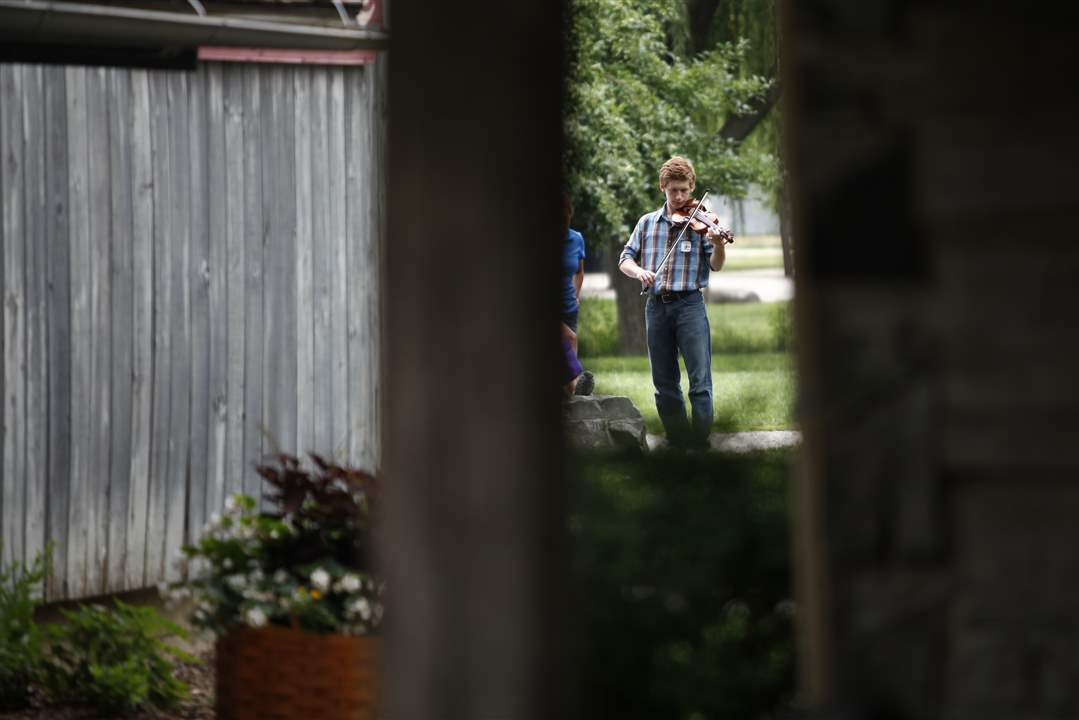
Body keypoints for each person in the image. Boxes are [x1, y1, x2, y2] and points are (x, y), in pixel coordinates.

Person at [617, 156, 732, 448]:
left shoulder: (701, 221)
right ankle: (678, 439)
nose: (679, 197)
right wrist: (639, 272)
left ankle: (700, 440)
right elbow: (625, 259)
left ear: (692, 187)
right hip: (656, 307)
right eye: (673, 191)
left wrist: (718, 244)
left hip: (690, 305)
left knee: (699, 379)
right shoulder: (647, 223)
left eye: (684, 190)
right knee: (664, 380)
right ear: (662, 187)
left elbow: (716, 265)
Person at [562, 194, 593, 396]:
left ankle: (574, 393)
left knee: (567, 355)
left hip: (569, 307)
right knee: (570, 339)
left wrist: (577, 294)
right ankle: (578, 385)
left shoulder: (576, 239)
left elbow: (579, 271)